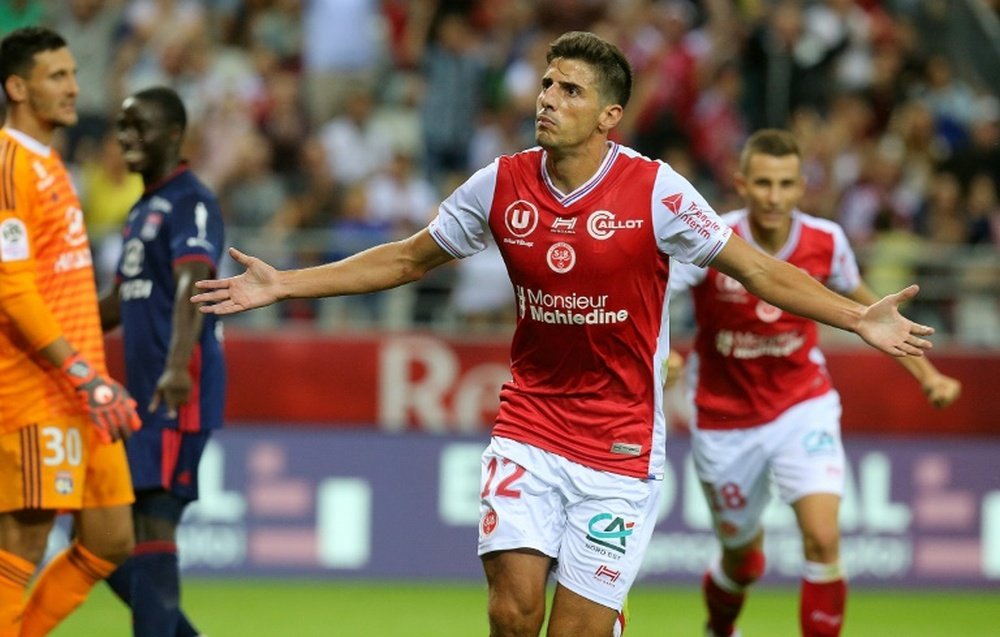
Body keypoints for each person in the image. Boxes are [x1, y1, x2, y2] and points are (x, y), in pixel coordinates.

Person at [192, 32, 936, 637]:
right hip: (531, 424)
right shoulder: (501, 182)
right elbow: (408, 257)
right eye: (547, 83)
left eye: (571, 90)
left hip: (620, 443)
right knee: (512, 611)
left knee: (575, 630)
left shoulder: (657, 191)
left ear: (610, 115)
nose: (547, 99)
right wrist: (286, 281)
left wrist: (854, 315)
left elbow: (759, 269)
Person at [667, 129, 962, 637]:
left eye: (785, 184)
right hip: (723, 418)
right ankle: (719, 627)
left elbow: (874, 316)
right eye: (763, 183)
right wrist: (662, 350)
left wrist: (929, 375)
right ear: (741, 183)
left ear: (803, 186)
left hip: (802, 406)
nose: (774, 196)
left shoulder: (827, 241)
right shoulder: (713, 238)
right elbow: (651, 298)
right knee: (743, 561)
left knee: (823, 539)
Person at [0, 26, 141, 636]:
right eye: (56, 76)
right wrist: (81, 372)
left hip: (86, 391)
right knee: (25, 540)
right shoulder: (9, 163)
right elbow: (13, 289)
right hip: (38, 389)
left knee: (111, 537)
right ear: (17, 87)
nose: (72, 87)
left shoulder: (54, 164)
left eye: (73, 74)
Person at [99, 86, 226, 637]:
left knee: (153, 526)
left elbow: (191, 279)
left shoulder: (189, 200)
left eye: (139, 126)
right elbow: (115, 303)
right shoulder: (141, 208)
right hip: (141, 399)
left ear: (173, 135)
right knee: (104, 544)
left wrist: (178, 366)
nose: (126, 137)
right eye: (122, 126)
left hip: (177, 392)